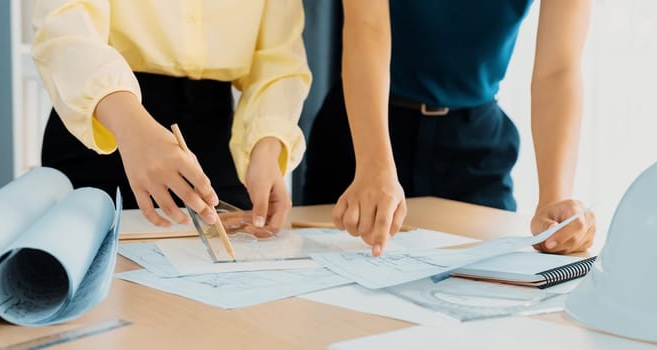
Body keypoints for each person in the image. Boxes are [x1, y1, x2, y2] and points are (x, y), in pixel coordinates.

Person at [304, 0, 595, 256]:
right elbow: (367, 27)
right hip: (366, 133)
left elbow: (558, 70)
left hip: (475, 144)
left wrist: (554, 199)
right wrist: (374, 167)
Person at [32, 0, 311, 232]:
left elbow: (280, 57)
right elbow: (63, 27)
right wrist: (129, 125)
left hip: (215, 140)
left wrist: (267, 145)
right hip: (106, 127)